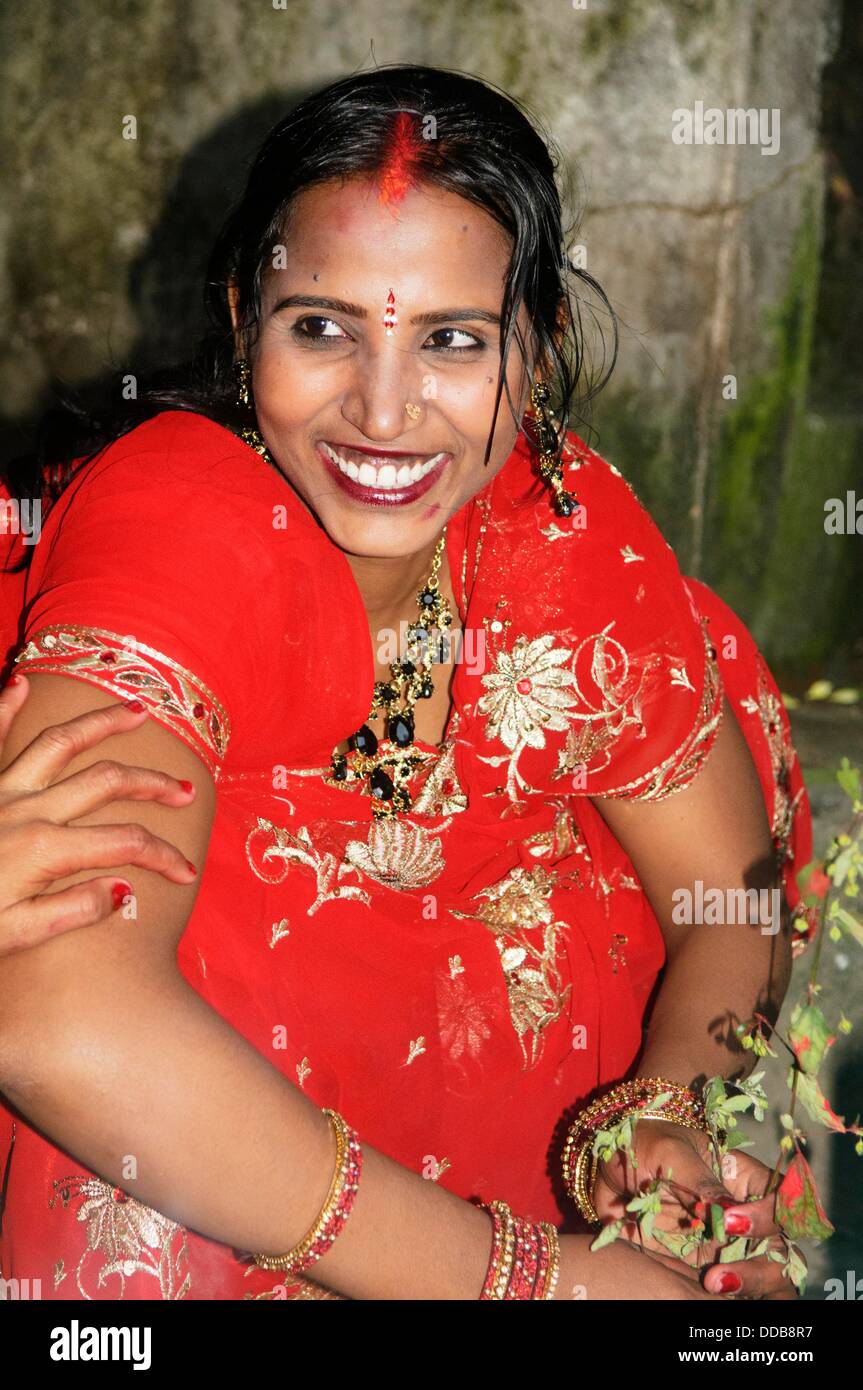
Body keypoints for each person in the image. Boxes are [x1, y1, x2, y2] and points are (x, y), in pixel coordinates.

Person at [0, 65, 812, 1301]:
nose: (383, 413)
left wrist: (666, 1116)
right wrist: (544, 1286)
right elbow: (61, 1020)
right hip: (207, 1101)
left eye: (450, 340)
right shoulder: (181, 517)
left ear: (532, 352)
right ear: (242, 317)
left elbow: (729, 894)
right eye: (320, 327)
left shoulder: (552, 524)